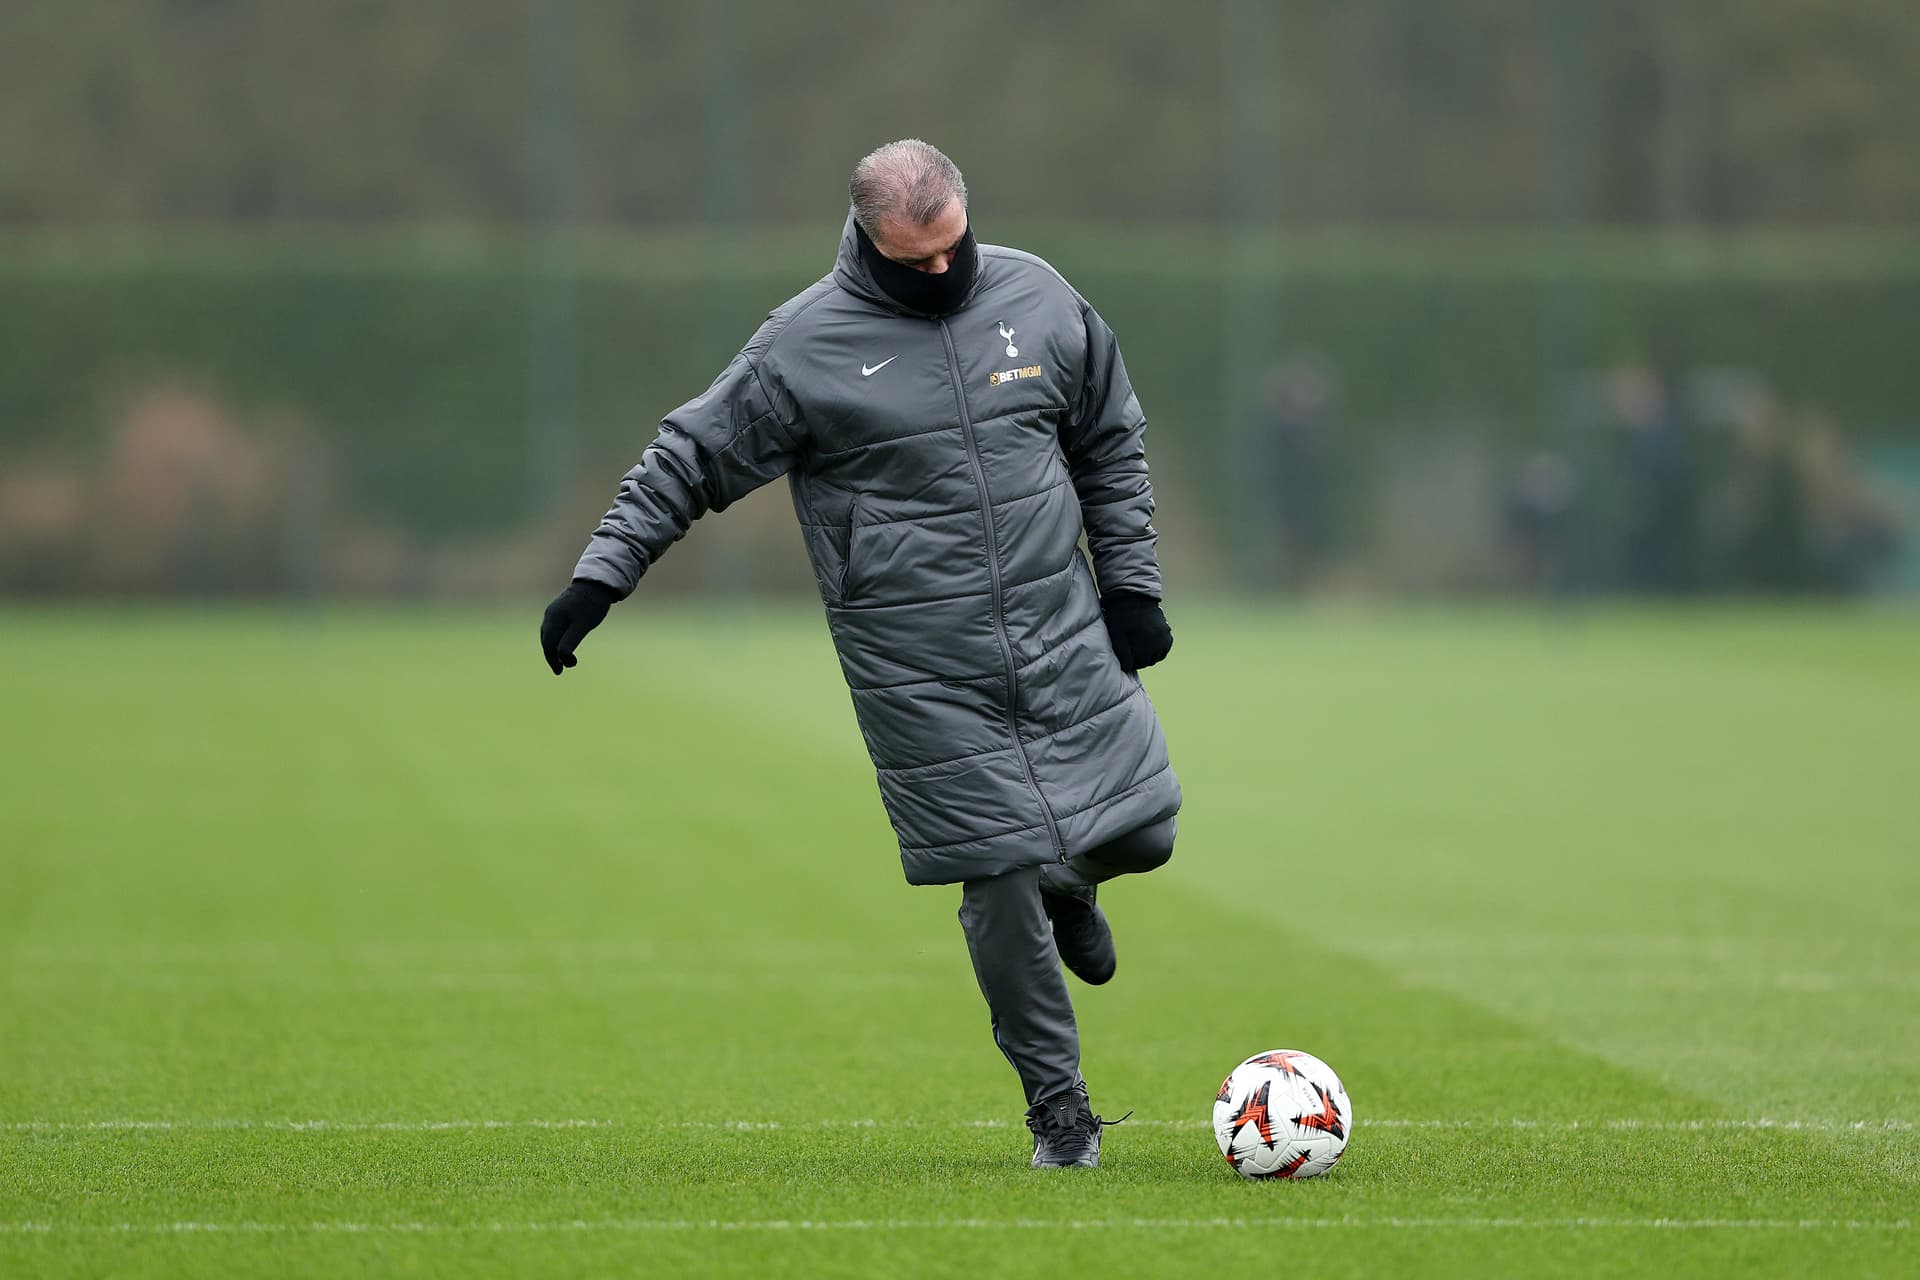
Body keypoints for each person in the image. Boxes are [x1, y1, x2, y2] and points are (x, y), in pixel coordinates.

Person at [539, 140, 1181, 1168]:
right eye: (911, 261)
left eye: (951, 252)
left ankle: (1075, 881)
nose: (938, 274)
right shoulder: (802, 347)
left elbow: (1110, 435)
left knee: (1148, 828)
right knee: (998, 872)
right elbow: (689, 457)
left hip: (1060, 630)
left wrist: (1134, 584)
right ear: (868, 242)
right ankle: (1060, 1109)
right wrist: (600, 576)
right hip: (917, 669)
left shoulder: (1041, 298)